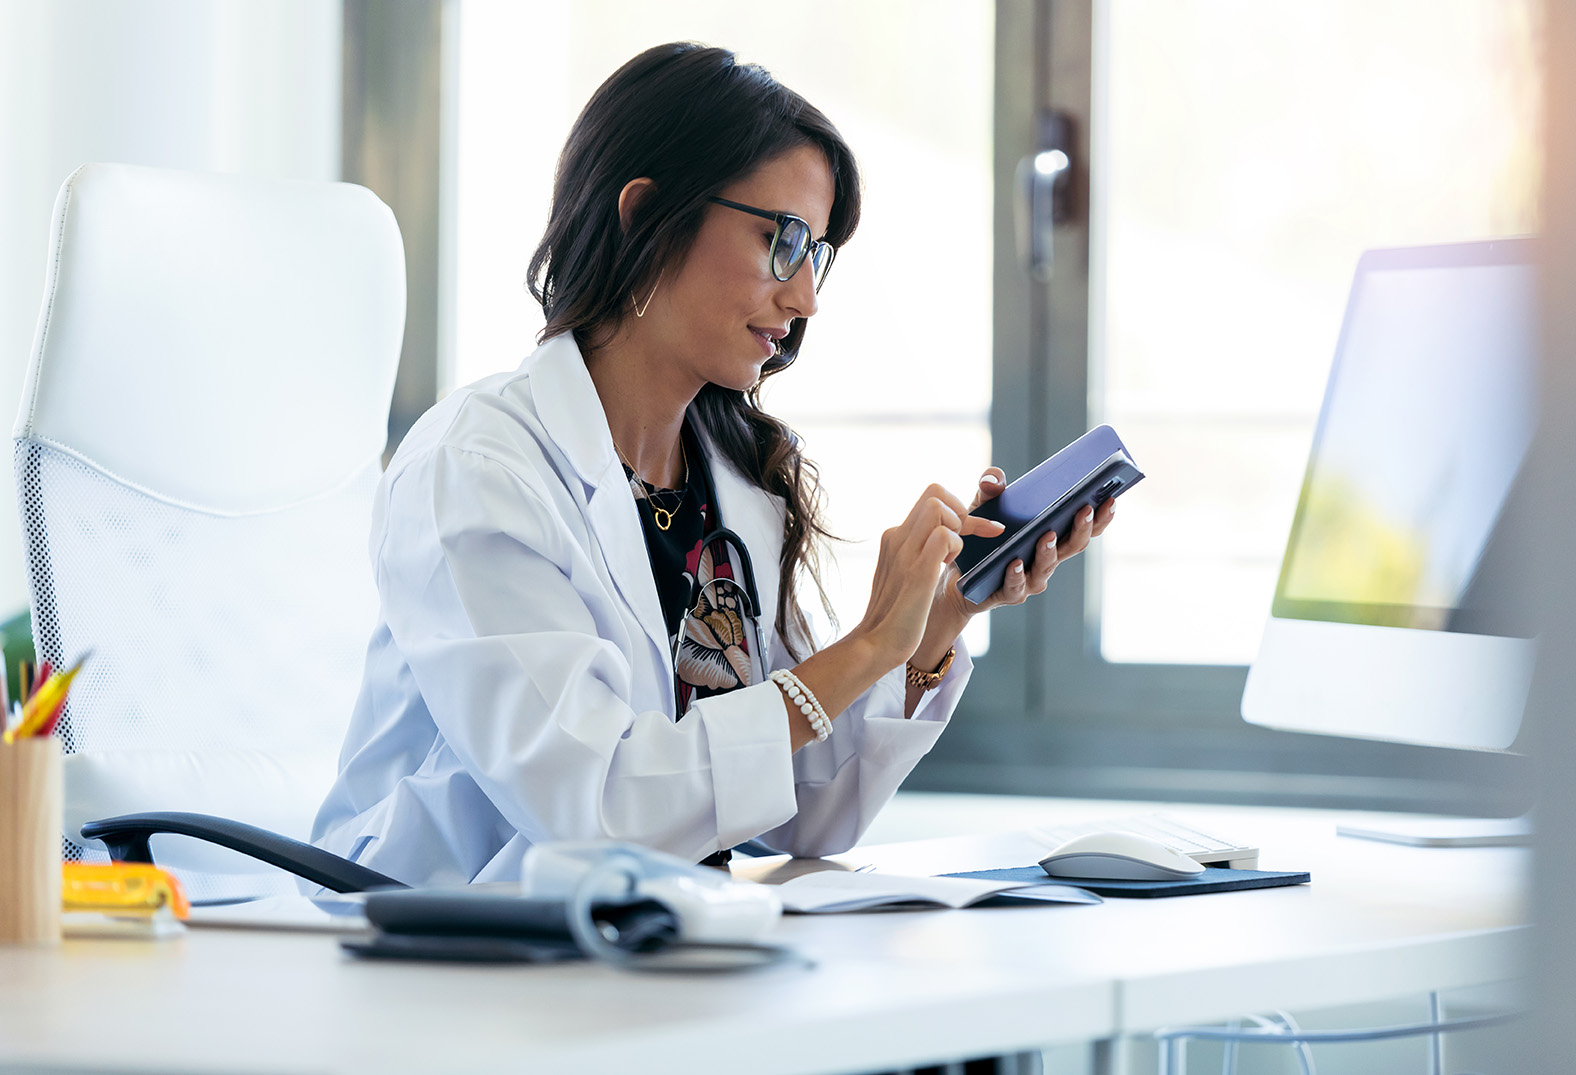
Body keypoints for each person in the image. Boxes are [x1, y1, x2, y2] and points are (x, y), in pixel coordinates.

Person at [310, 42, 1116, 886]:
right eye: (782, 239)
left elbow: (804, 812)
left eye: (817, 254)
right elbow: (598, 806)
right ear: (645, 215)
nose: (804, 297)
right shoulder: (478, 469)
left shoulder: (733, 477)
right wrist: (870, 642)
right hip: (442, 955)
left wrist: (930, 628)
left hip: (649, 943)